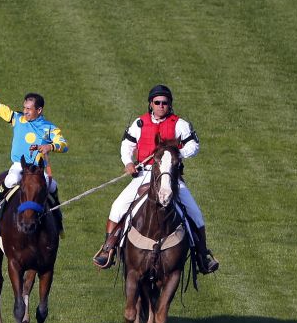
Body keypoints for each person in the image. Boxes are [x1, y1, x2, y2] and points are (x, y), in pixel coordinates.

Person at [93, 84, 219, 273]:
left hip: (170, 177)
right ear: (151, 104)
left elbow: (194, 145)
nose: (161, 106)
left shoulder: (180, 124)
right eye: (157, 102)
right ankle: (108, 249)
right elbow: (127, 145)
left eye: (165, 103)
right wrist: (128, 163)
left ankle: (203, 255)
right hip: (143, 175)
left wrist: (175, 153)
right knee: (117, 207)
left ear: (170, 105)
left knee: (195, 213)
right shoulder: (139, 123)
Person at [0, 77, 68, 236]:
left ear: (39, 110)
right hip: (20, 166)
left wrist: (51, 146)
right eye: (24, 108)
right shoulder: (17, 118)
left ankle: (57, 215)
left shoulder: (50, 129)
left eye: (29, 109)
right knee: (11, 180)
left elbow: (64, 144)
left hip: (38, 170)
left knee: (53, 185)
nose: (25, 111)